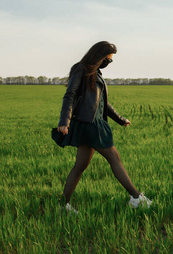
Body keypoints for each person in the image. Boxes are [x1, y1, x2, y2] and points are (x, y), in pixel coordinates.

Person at [57, 41, 151, 214]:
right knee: (115, 159)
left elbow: (103, 103)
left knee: (80, 166)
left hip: (92, 124)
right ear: (99, 55)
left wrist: (120, 119)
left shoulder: (95, 73)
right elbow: (69, 95)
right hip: (91, 125)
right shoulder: (81, 69)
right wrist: (64, 121)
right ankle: (137, 198)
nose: (109, 62)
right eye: (108, 59)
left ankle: (63, 205)